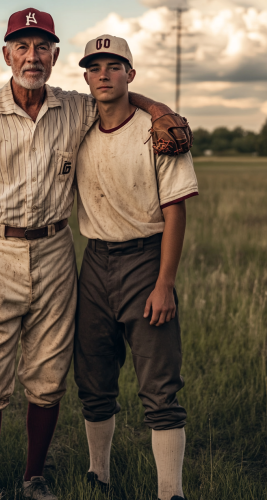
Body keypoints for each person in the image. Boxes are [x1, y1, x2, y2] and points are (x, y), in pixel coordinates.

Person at [0, 8, 193, 500]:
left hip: (55, 248)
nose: (32, 57)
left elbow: (113, 92)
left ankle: (34, 479)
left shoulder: (73, 107)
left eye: (42, 47)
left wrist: (156, 107)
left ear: (55, 56)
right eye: (22, 47)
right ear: (6, 54)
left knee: (49, 373)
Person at [74, 35, 199, 500]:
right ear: (85, 76)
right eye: (94, 67)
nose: (103, 74)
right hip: (94, 260)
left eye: (114, 65)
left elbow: (176, 212)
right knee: (92, 375)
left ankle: (171, 491)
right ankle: (98, 473)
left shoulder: (156, 128)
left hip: (145, 259)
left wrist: (165, 282)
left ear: (131, 72)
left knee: (159, 384)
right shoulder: (79, 123)